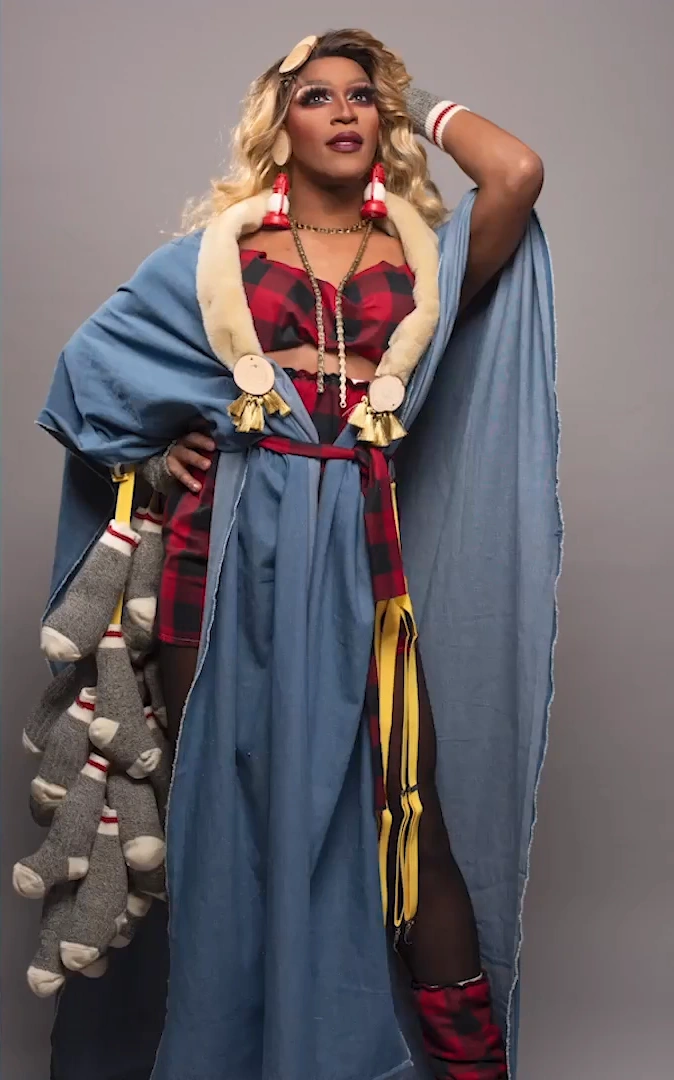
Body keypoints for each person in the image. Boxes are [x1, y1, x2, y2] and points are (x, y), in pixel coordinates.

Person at [38, 28, 560, 1080]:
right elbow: (85, 378)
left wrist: (414, 98)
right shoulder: (216, 256)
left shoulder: (422, 255)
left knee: (409, 821)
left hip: (362, 559)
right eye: (314, 96)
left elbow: (513, 172)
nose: (343, 111)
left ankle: (469, 1069)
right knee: (222, 824)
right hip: (221, 556)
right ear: (278, 126)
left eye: (360, 97)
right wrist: (159, 448)